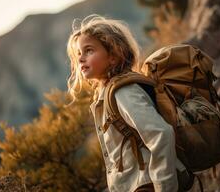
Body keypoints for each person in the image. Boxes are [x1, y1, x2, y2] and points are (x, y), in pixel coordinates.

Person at [66, 14, 187, 192]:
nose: (81, 58)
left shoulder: (123, 92)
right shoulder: (106, 93)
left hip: (147, 185)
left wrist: (165, 187)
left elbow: (161, 134)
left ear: (113, 56)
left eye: (89, 50)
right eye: (79, 54)